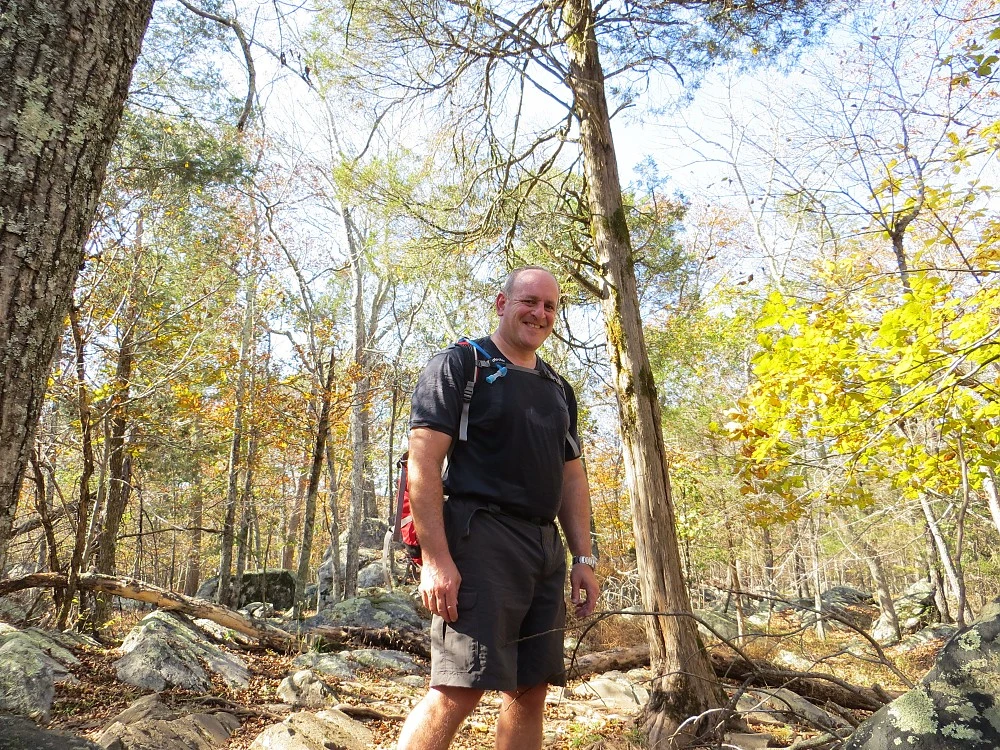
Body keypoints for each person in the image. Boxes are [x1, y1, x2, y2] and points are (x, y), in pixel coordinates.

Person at [398, 265, 599, 750]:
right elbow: (423, 461)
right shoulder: (460, 365)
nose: (540, 313)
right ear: (502, 303)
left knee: (530, 691)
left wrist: (583, 557)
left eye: (550, 306)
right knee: (458, 688)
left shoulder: (557, 388)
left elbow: (572, 477)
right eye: (530, 301)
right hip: (480, 537)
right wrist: (436, 560)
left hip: (544, 546)